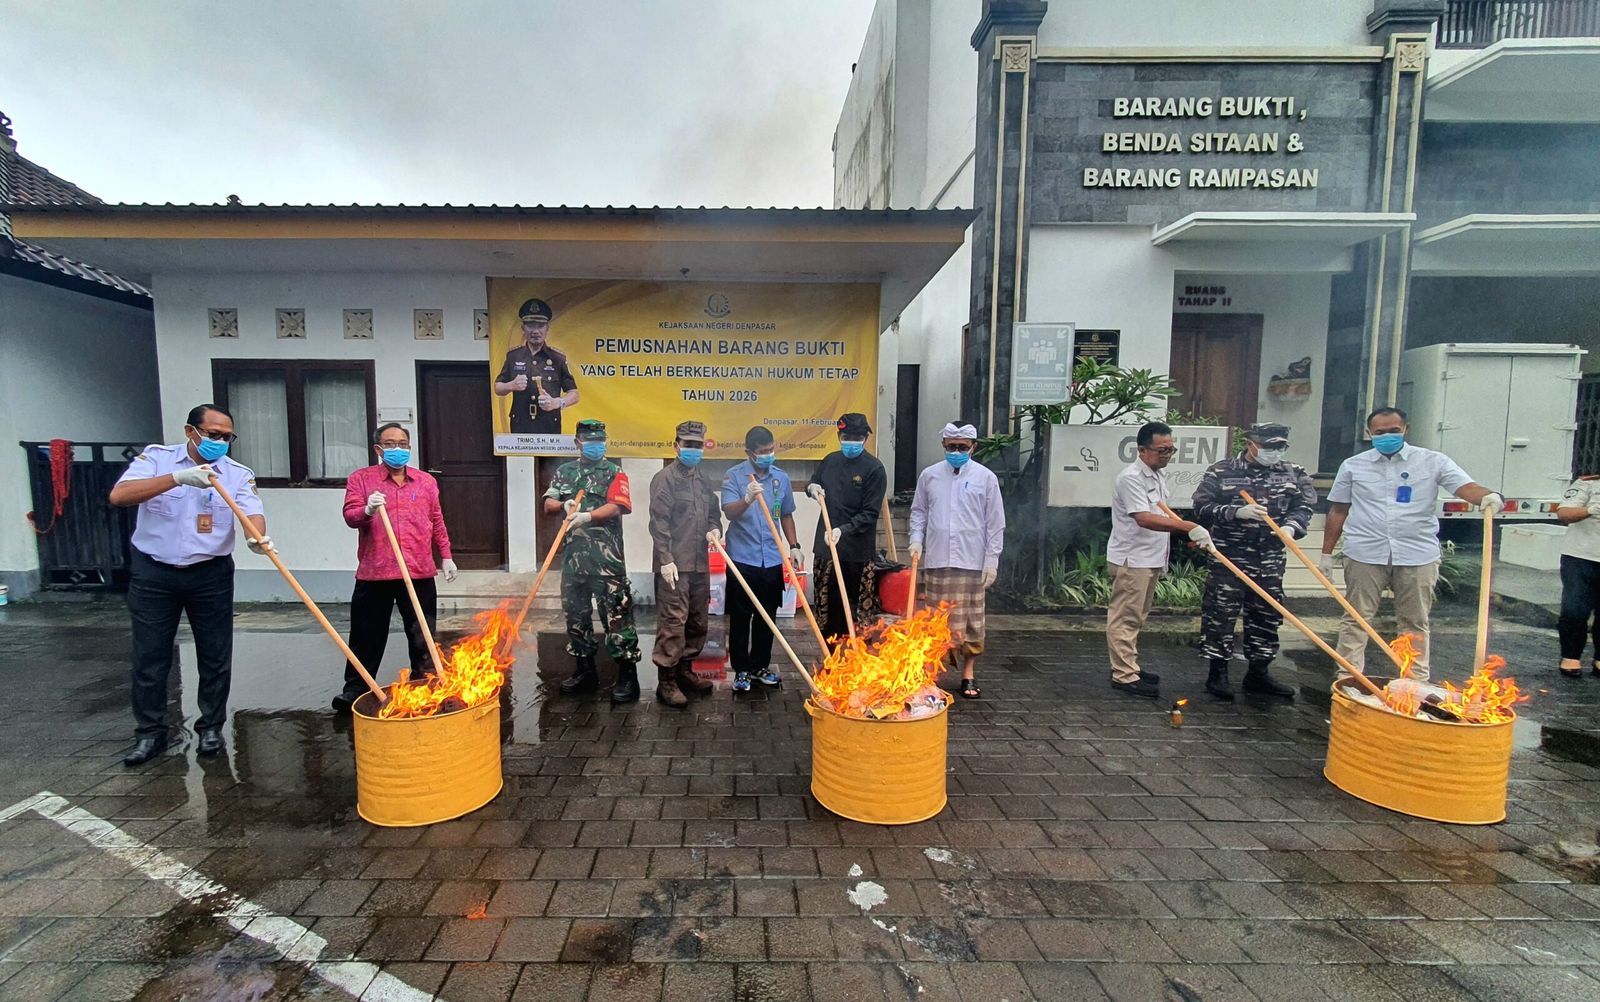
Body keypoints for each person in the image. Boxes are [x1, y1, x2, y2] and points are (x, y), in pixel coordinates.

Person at [109, 404, 270, 765]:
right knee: (151, 656)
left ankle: (211, 727)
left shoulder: (236, 473)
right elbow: (119, 496)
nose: (221, 442)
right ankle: (150, 734)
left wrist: (256, 537)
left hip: (209, 573)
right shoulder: (156, 459)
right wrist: (177, 479)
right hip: (155, 572)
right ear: (190, 431)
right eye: (213, 435)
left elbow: (251, 511)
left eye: (228, 437)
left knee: (215, 655)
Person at [1322, 407, 1501, 681]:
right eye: (1380, 432)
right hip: (1365, 552)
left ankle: (1415, 680)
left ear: (1406, 429)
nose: (1387, 437)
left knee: (1414, 622)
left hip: (1417, 553)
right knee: (1357, 618)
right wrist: (1326, 552)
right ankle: (1348, 676)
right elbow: (1338, 510)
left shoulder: (1433, 462)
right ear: (1369, 434)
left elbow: (1466, 487)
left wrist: (1487, 497)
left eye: (1394, 431)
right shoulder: (1353, 465)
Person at [331, 423, 458, 712]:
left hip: (418, 570)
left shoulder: (426, 482)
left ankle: (424, 681)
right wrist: (367, 510)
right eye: (390, 444)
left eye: (403, 443)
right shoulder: (361, 479)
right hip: (375, 571)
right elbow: (350, 516)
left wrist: (446, 555)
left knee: (423, 632)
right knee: (366, 634)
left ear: (410, 447)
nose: (397, 449)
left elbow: (436, 520)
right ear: (378, 449)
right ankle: (356, 688)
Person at [1191, 422, 1316, 701]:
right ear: (1251, 443)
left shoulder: (1293, 473)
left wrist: (1292, 527)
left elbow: (1305, 506)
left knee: (1266, 614)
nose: (1274, 452)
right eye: (1268, 446)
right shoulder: (1221, 471)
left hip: (1269, 558)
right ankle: (1218, 673)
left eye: (1280, 447)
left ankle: (1259, 672)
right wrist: (1236, 512)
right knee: (1221, 614)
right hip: (1229, 556)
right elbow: (1201, 507)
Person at [1106, 421, 1216, 698]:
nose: (1167, 454)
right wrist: (1187, 526)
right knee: (1126, 617)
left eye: (1171, 450)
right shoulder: (1130, 477)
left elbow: (1163, 515)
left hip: (1150, 557)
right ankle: (1124, 675)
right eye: (1161, 450)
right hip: (1133, 559)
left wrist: (1186, 533)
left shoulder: (1156, 475)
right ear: (1142, 450)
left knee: (1137, 616)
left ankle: (1128, 665)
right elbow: (1143, 518)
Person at [908, 422, 1005, 700]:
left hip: (971, 560)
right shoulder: (929, 476)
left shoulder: (986, 478)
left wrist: (991, 560)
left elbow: (995, 522)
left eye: (963, 447)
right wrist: (916, 539)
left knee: (971, 620)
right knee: (936, 620)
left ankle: (968, 674)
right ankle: (933, 676)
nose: (957, 452)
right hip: (938, 558)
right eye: (952, 447)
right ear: (944, 446)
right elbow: (919, 512)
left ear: (973, 447)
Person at [545, 419, 640, 701]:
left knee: (617, 619)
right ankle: (585, 671)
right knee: (576, 618)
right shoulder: (565, 472)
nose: (596, 446)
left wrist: (588, 516)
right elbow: (548, 504)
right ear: (577, 443)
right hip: (575, 562)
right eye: (590, 442)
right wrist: (563, 505)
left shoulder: (614, 471)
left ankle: (627, 677)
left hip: (608, 563)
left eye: (601, 441)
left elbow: (619, 506)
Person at [721, 425, 801, 692]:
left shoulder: (781, 478)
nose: (768, 455)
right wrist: (747, 499)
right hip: (742, 559)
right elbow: (730, 513)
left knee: (768, 616)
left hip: (772, 558)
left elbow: (786, 514)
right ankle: (741, 670)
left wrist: (794, 545)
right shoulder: (734, 477)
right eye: (762, 452)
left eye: (771, 450)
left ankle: (760, 666)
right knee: (741, 617)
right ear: (749, 453)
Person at [648, 420, 721, 707]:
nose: (693, 449)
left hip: (700, 563)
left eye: (698, 445)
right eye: (688, 444)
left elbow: (714, 513)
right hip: (674, 566)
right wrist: (665, 559)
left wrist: (716, 529)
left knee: (697, 620)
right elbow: (659, 522)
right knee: (672, 622)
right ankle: (666, 682)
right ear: (676, 445)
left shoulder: (702, 479)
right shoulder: (664, 479)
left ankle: (685, 671)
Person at [806, 412, 888, 643]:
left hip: (857, 552)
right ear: (839, 435)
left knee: (857, 613)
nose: (852, 441)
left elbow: (870, 513)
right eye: (847, 436)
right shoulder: (830, 461)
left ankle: (857, 662)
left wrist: (843, 530)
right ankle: (830, 661)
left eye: (857, 437)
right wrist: (812, 488)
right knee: (827, 609)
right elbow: (814, 481)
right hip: (826, 550)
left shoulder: (874, 469)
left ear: (865, 438)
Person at [493, 297, 579, 436]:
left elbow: (574, 394)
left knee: (549, 459)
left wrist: (557, 403)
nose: (535, 331)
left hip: (549, 425)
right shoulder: (513, 356)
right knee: (521, 459)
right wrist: (511, 385)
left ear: (547, 329)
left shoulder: (557, 358)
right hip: (521, 425)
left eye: (540, 326)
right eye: (531, 325)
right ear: (523, 328)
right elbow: (498, 387)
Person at [1555, 474, 1600, 679]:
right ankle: (1571, 656)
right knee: (1575, 609)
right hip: (1581, 556)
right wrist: (1590, 510)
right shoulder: (1589, 483)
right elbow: (1564, 513)